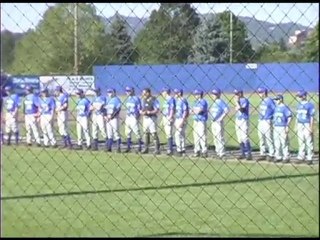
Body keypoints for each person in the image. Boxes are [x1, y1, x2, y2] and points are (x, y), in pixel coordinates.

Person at [295, 90, 315, 165]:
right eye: (298, 96)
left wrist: (311, 126)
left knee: (308, 141)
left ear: (304, 96)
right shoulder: (298, 104)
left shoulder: (310, 105)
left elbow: (312, 117)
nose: (299, 98)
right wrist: (295, 125)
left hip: (307, 124)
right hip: (300, 124)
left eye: (300, 96)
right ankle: (301, 156)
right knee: (301, 141)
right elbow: (297, 116)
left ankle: (309, 157)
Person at [256, 87, 276, 162]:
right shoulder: (262, 101)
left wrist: (272, 119)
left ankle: (272, 154)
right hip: (261, 121)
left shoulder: (270, 101)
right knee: (261, 138)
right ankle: (263, 153)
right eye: (259, 92)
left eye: (260, 92)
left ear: (264, 93)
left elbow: (275, 109)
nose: (259, 94)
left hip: (267, 121)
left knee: (268, 138)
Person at [140, 88, 161, 155]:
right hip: (145, 118)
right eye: (143, 93)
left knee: (153, 133)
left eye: (145, 93)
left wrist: (150, 112)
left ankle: (157, 149)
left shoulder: (154, 100)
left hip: (152, 118)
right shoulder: (143, 100)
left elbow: (157, 109)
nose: (144, 94)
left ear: (148, 93)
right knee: (145, 133)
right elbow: (141, 108)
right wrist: (141, 112)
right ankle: (146, 148)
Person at [272, 94, 292, 163]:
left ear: (281, 99)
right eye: (275, 100)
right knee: (276, 142)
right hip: (276, 127)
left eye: (277, 99)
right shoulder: (276, 107)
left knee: (284, 142)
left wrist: (287, 126)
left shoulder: (285, 108)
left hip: (283, 126)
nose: (275, 101)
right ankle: (278, 156)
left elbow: (289, 117)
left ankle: (286, 157)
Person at [210, 88, 229, 159]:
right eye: (213, 94)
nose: (213, 95)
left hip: (218, 122)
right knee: (215, 137)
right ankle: (217, 152)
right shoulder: (214, 102)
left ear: (218, 94)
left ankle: (222, 153)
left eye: (215, 94)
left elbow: (226, 110)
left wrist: (221, 118)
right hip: (213, 122)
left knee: (219, 137)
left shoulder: (220, 102)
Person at [233, 89, 252, 160]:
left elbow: (242, 110)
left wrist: (237, 103)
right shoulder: (238, 101)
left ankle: (249, 154)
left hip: (244, 120)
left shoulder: (245, 100)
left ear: (241, 93)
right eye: (235, 94)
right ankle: (243, 153)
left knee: (244, 137)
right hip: (238, 120)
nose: (236, 95)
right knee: (239, 137)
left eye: (237, 94)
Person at [123, 86, 143, 153]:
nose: (127, 92)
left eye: (129, 91)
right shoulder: (128, 99)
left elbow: (139, 108)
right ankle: (128, 147)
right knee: (127, 132)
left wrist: (138, 116)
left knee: (136, 131)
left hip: (133, 117)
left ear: (132, 91)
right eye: (126, 91)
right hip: (128, 117)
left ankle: (140, 146)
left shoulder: (136, 99)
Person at [191, 89, 208, 158]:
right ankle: (196, 151)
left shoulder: (203, 102)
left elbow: (199, 111)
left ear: (200, 95)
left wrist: (194, 111)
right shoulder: (195, 102)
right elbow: (191, 111)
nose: (195, 95)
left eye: (197, 94)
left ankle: (204, 151)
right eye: (195, 94)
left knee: (202, 136)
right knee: (196, 136)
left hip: (201, 121)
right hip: (195, 120)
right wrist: (194, 111)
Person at [105, 88, 122, 152]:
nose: (109, 93)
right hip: (107, 118)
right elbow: (104, 109)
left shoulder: (116, 100)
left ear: (114, 92)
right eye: (108, 92)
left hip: (114, 118)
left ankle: (118, 148)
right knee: (109, 133)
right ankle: (109, 147)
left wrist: (111, 116)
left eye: (111, 92)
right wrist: (105, 116)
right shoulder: (107, 99)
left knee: (116, 132)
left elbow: (118, 109)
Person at [173, 88, 189, 157]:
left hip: (181, 119)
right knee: (181, 134)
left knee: (177, 134)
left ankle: (179, 150)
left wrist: (182, 120)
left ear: (179, 93)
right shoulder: (177, 101)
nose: (175, 94)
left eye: (176, 93)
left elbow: (185, 111)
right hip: (177, 119)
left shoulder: (183, 101)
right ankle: (183, 150)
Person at [161, 87, 176, 155]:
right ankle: (169, 148)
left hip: (168, 117)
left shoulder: (170, 99)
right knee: (167, 133)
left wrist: (170, 117)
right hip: (165, 117)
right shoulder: (165, 100)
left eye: (163, 91)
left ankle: (170, 149)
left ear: (166, 92)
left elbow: (172, 108)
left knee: (169, 133)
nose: (162, 93)